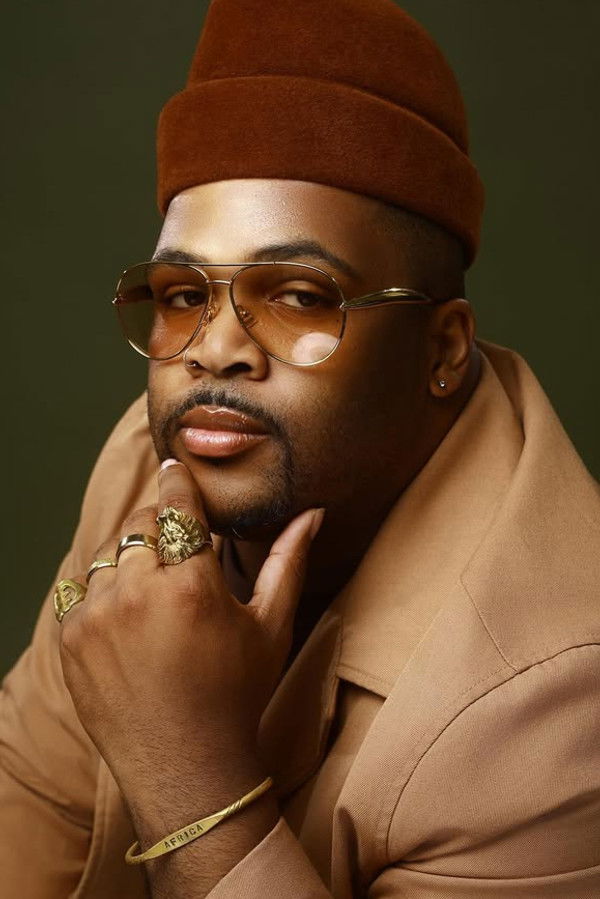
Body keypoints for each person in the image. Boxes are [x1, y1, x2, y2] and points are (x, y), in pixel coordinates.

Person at [1, 0, 599, 896]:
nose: (213, 349)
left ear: (442, 349)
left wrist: (190, 774)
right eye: (182, 294)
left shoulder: (555, 693)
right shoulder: (159, 461)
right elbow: (27, 800)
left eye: (299, 296)